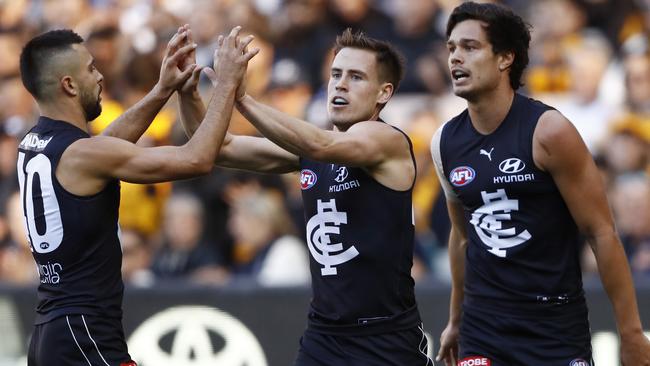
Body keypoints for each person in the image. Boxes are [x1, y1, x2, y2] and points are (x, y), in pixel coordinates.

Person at [178, 28, 433, 365]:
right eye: (336, 74)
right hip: (324, 336)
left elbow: (320, 144)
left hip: (385, 337)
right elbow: (216, 146)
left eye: (356, 77)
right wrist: (186, 91)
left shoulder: (387, 140)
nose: (340, 84)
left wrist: (239, 97)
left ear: (383, 93)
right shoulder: (312, 150)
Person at [17, 26, 257, 366]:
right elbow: (197, 159)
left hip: (52, 330)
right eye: (90, 69)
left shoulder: (35, 142)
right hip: (84, 333)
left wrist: (162, 90)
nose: (99, 76)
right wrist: (227, 84)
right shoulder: (83, 154)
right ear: (69, 85)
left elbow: (105, 148)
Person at [431, 2, 650, 365]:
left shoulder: (549, 131)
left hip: (553, 327)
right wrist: (455, 321)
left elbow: (601, 232)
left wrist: (630, 333)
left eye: (470, 47)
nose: (455, 58)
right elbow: (462, 237)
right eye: (451, 48)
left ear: (505, 58)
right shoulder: (444, 142)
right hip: (483, 328)